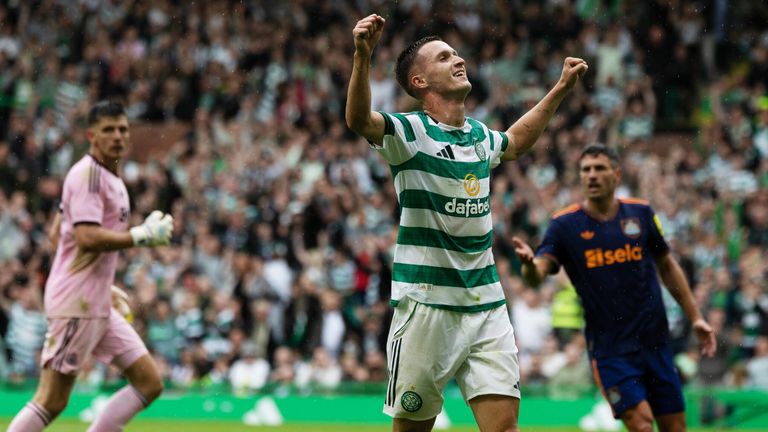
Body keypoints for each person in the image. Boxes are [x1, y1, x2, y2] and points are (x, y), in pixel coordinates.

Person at [346, 14, 588, 432]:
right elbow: (359, 121)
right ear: (420, 82)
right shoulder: (409, 133)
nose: (458, 60)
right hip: (425, 306)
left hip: (486, 305)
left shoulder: (479, 135)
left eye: (456, 54)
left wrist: (561, 89)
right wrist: (362, 57)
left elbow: (514, 142)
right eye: (444, 57)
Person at [513, 143, 717, 432]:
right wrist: (529, 266)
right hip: (611, 351)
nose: (592, 175)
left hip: (655, 343)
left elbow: (667, 265)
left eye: (599, 168)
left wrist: (695, 316)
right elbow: (539, 273)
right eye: (586, 170)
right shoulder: (564, 225)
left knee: (676, 427)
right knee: (642, 424)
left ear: (616, 174)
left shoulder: (641, 213)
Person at [8, 100, 174, 432]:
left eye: (122, 129)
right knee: (51, 400)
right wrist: (140, 236)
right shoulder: (88, 176)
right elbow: (85, 237)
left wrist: (101, 283)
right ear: (91, 136)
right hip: (77, 305)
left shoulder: (110, 179)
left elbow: (58, 235)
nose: (117, 136)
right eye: (108, 130)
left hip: (93, 300)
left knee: (149, 382)